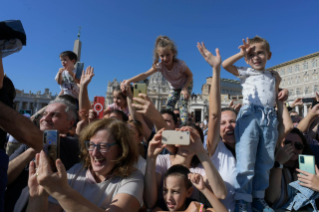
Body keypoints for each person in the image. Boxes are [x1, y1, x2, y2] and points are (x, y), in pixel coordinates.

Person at [222, 36, 286, 211]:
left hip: (269, 118)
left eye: (260, 53)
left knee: (265, 160)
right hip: (250, 115)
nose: (256, 57)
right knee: (246, 158)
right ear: (246, 59)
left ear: (269, 55)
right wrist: (240, 53)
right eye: (251, 54)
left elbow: (276, 94)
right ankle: (242, 199)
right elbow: (225, 65)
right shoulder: (246, 72)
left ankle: (258, 197)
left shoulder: (274, 76)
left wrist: (283, 90)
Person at [26, 118, 144, 212]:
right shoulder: (77, 170)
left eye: (103, 146)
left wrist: (60, 191)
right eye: (91, 145)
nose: (94, 153)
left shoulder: (133, 177)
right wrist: (37, 196)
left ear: (121, 149)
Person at [4, 98, 80, 212]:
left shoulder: (73, 146)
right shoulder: (27, 146)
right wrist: (32, 150)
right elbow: (5, 176)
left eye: (55, 115)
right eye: (44, 113)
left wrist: (45, 141)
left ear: (70, 123)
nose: (45, 118)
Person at [144, 126, 227, 209]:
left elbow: (221, 194)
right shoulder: (161, 160)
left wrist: (201, 152)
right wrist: (151, 157)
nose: (188, 143)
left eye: (194, 139)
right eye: (184, 137)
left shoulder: (200, 169)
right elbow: (150, 202)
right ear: (176, 140)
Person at [121, 35, 193, 126]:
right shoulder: (160, 66)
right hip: (174, 87)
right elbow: (145, 74)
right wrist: (128, 81)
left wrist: (185, 89)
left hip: (185, 83)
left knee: (182, 104)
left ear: (174, 53)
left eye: (168, 55)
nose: (165, 58)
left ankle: (184, 125)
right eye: (162, 56)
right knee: (168, 106)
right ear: (158, 55)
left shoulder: (180, 64)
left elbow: (190, 75)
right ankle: (168, 124)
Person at [266, 128, 317, 209]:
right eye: (287, 143)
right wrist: (279, 163)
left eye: (298, 145)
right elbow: (271, 198)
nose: (293, 148)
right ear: (278, 144)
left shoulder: (310, 167)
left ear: (303, 149)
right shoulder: (269, 165)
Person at [152, 165, 228, 212]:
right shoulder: (161, 206)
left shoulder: (196, 206)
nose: (168, 197)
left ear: (189, 192)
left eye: (175, 191)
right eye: (165, 190)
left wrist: (203, 189)